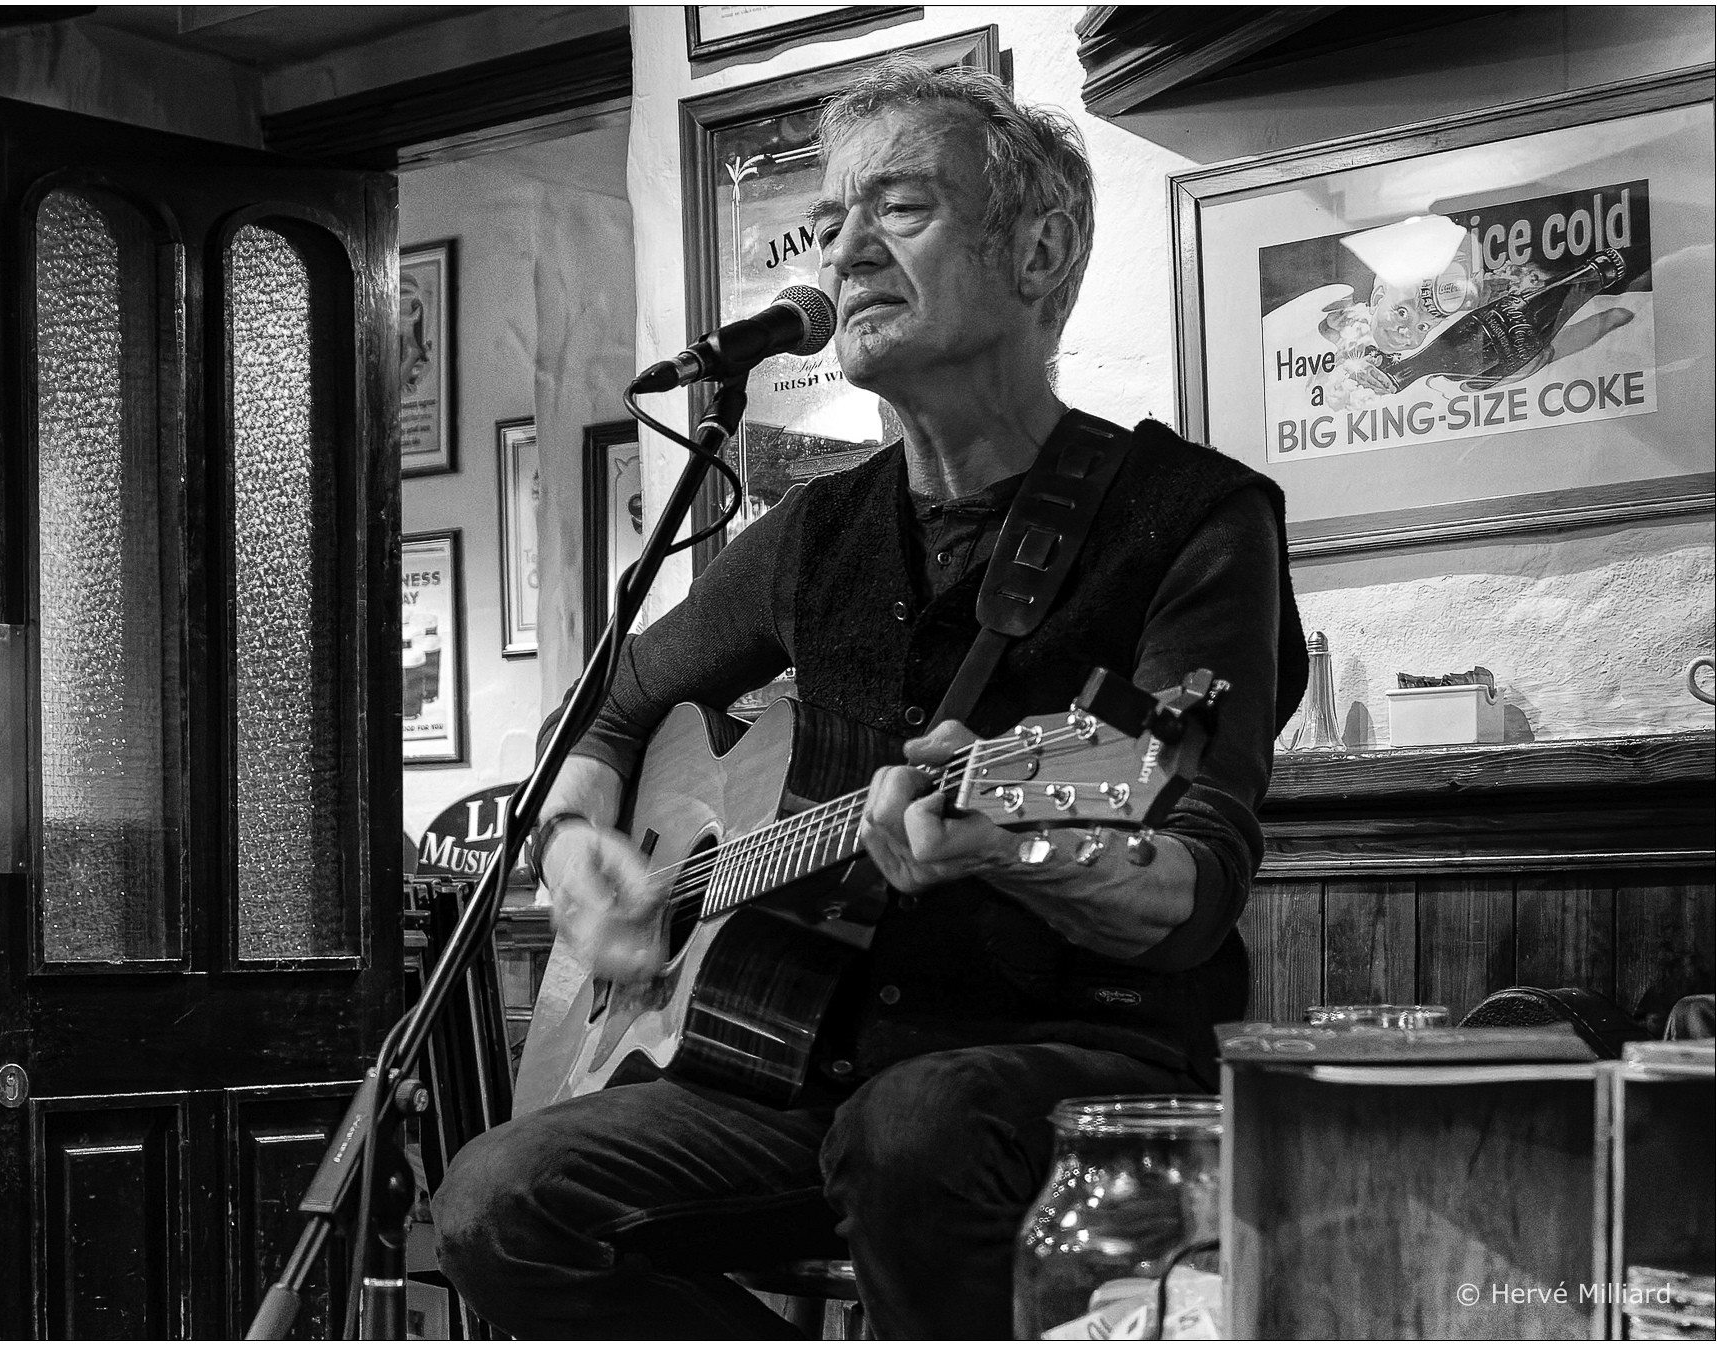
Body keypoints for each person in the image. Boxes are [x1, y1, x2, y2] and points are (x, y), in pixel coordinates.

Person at [434, 57, 1307, 1338]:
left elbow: (1193, 878)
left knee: (914, 1128)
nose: (841, 252)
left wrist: (1014, 845)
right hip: (790, 1059)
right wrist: (573, 848)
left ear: (1037, 250)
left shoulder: (1191, 519)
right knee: (495, 1200)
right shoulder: (814, 529)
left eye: (897, 207)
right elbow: (610, 701)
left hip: (1069, 1064)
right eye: (830, 218)